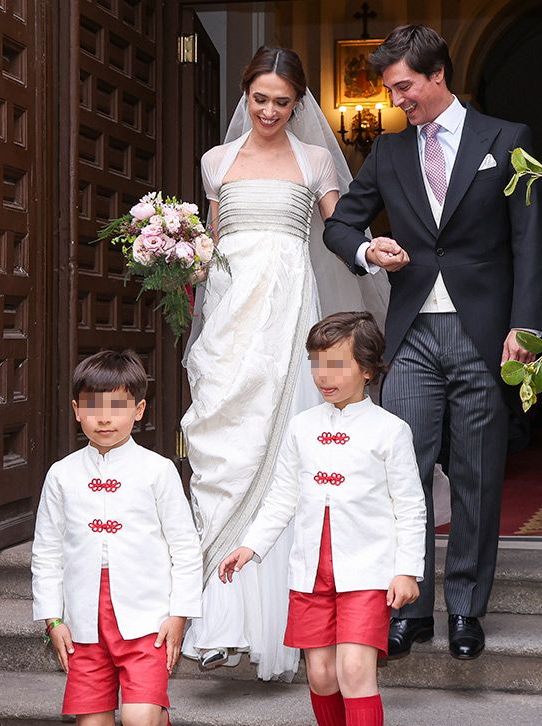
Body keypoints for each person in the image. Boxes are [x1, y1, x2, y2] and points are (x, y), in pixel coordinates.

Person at [323, 25, 542, 661]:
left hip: (484, 333)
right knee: (405, 474)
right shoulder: (390, 152)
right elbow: (341, 222)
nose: (398, 102)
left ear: (437, 76)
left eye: (404, 87)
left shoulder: (507, 140)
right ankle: (411, 608)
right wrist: (369, 249)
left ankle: (467, 611)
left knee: (478, 475)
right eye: (391, 90)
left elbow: (530, 241)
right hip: (412, 333)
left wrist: (525, 327)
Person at [180, 46, 390, 679]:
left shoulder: (316, 159)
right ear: (244, 95)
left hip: (286, 314)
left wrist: (368, 250)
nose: (268, 110)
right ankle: (216, 621)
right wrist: (171, 256)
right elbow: (209, 245)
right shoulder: (216, 161)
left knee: (280, 459)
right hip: (227, 316)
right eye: (258, 98)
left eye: (282, 101)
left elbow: (338, 230)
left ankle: (274, 623)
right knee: (221, 447)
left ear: (299, 104)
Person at [219, 312, 426, 726]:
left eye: (336, 364)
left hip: (367, 571)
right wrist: (251, 545)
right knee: (321, 673)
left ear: (369, 369)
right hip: (311, 571)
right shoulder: (302, 428)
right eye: (316, 363)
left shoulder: (390, 431)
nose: (323, 376)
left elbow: (410, 505)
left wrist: (406, 569)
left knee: (355, 671)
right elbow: (282, 498)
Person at [31, 350, 203, 726]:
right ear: (76, 411)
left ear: (139, 410)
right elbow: (46, 551)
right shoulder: (62, 475)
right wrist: (53, 618)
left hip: (146, 620)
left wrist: (179, 614)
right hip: (85, 624)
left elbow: (185, 547)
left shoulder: (158, 471)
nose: (104, 419)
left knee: (140, 719)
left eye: (117, 407)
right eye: (92, 407)